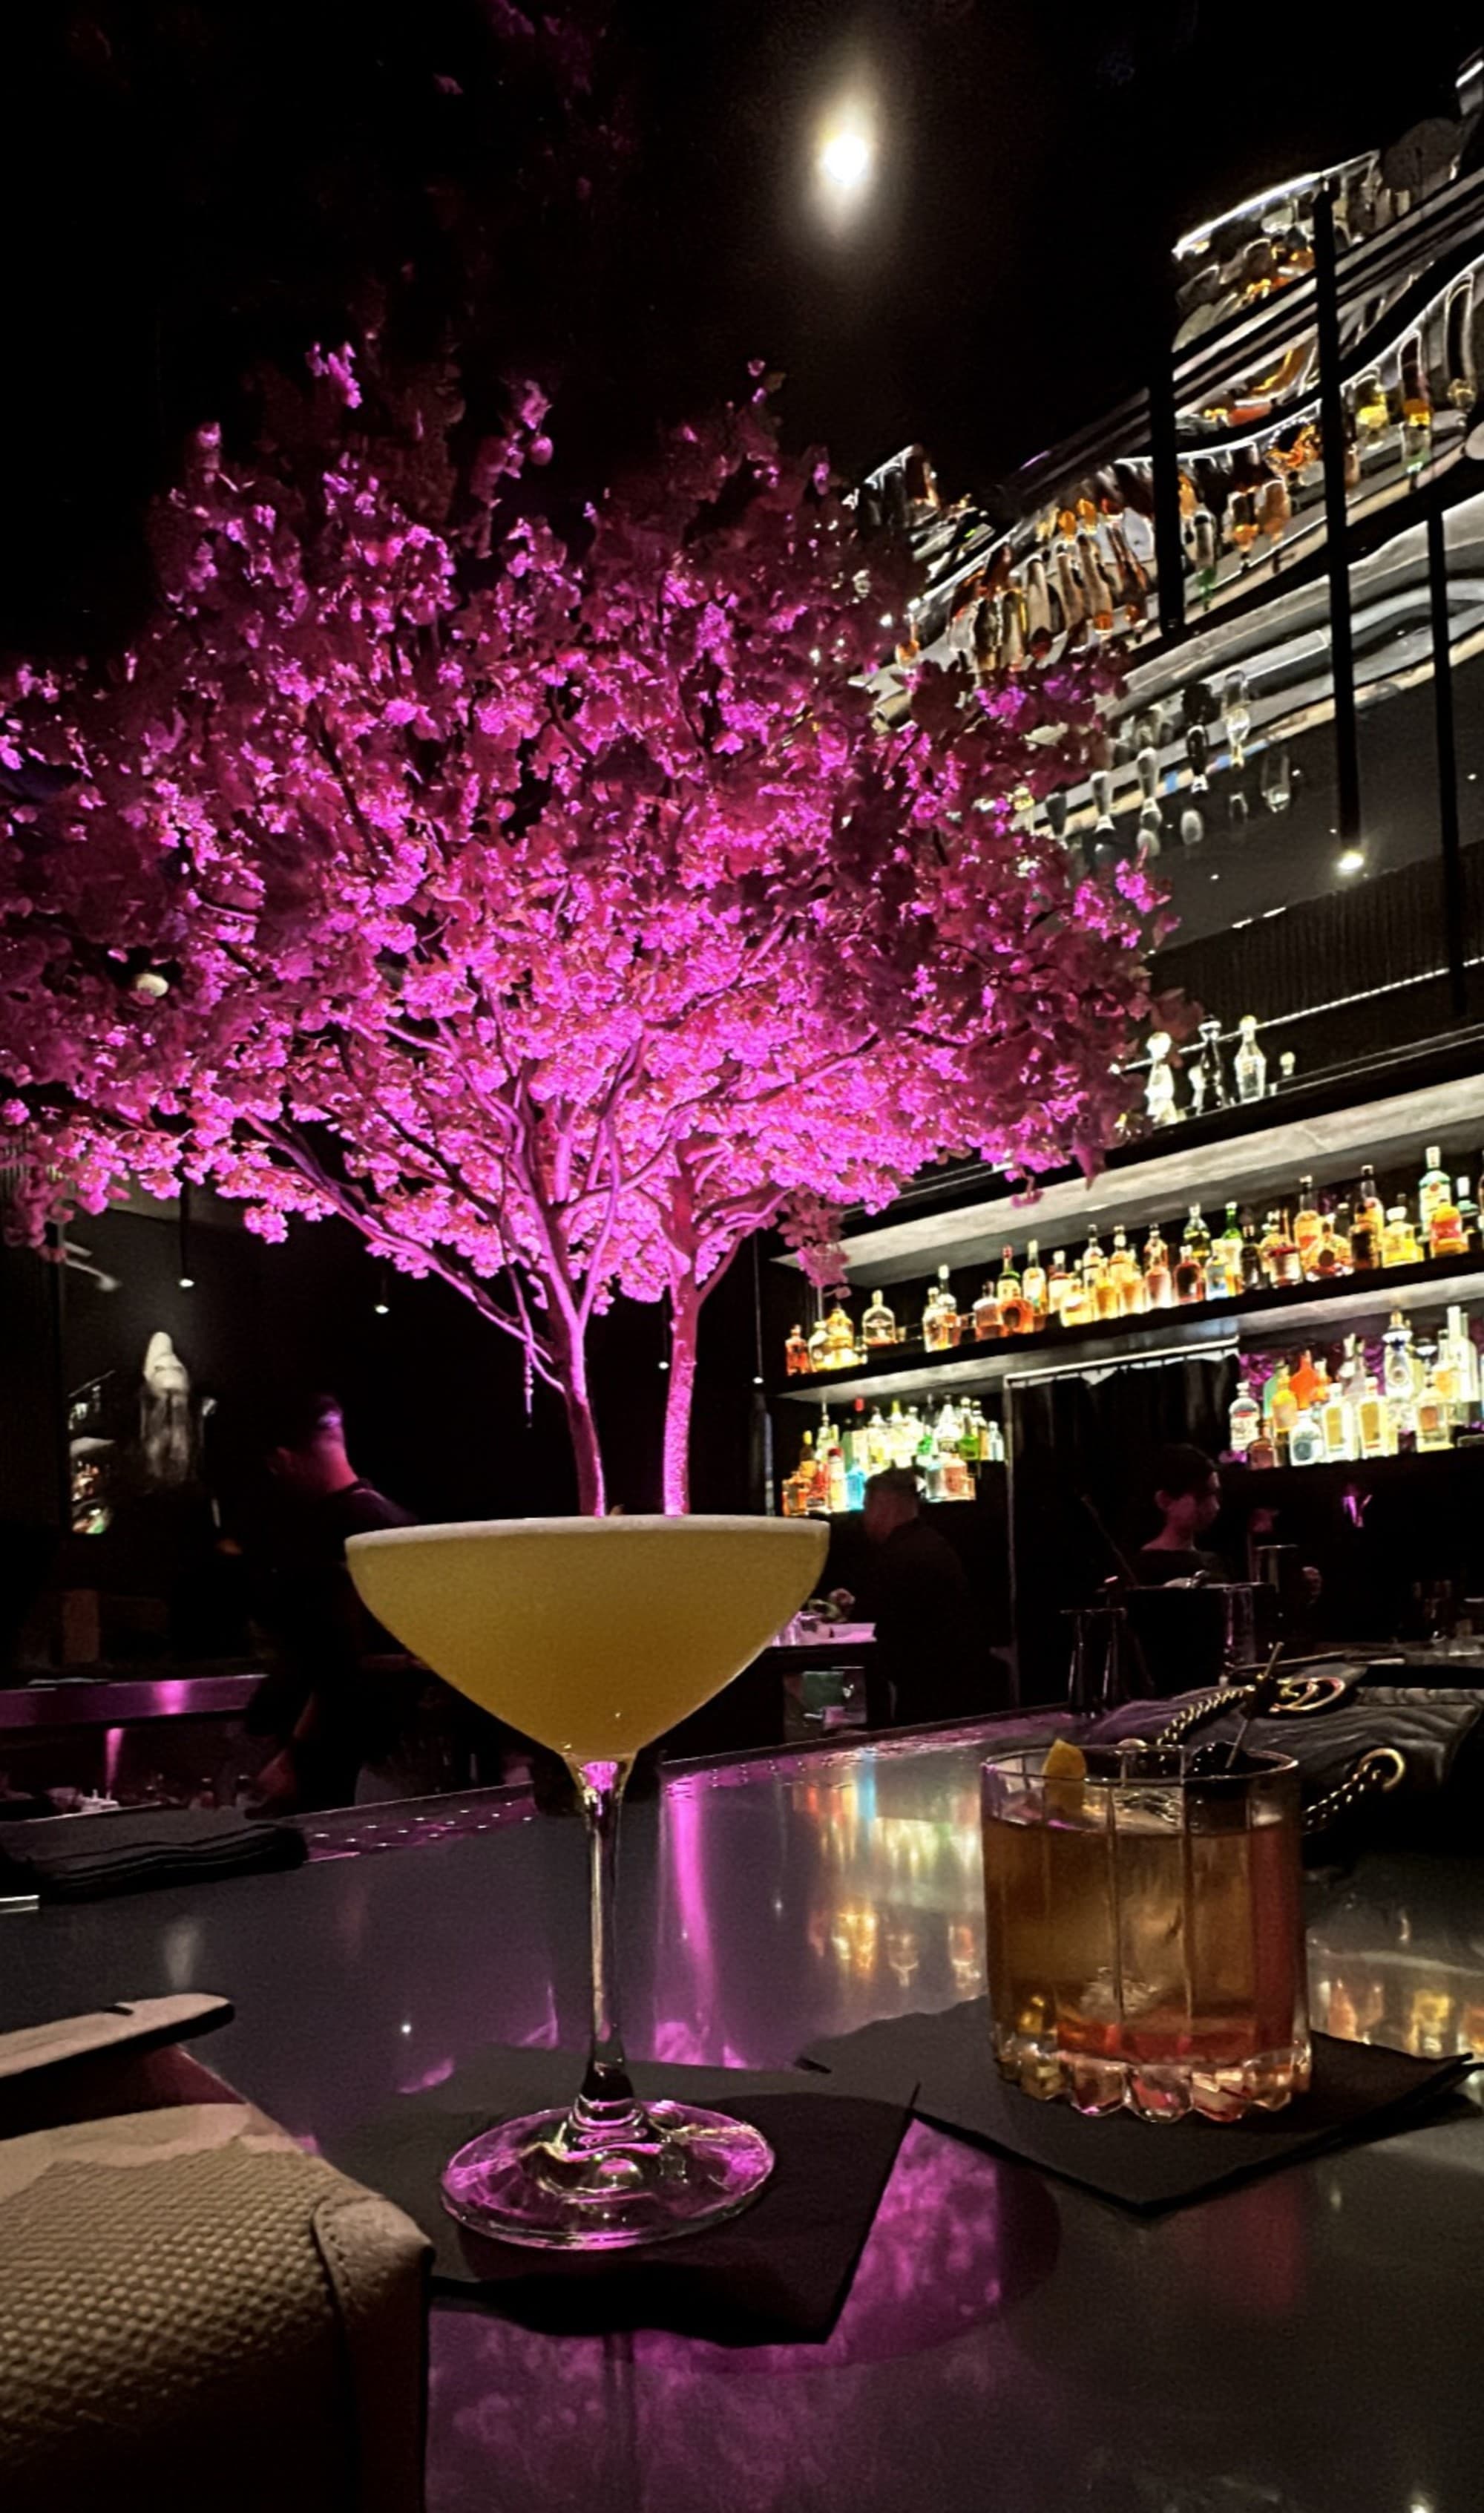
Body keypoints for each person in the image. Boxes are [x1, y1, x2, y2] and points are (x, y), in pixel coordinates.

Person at [247, 1392, 415, 1809]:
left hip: (335, 1759)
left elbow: (340, 1661)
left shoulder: (330, 1535)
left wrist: (296, 1757)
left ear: (282, 1460)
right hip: (388, 1755)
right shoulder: (396, 1527)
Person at [861, 1467, 1004, 1727]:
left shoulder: (898, 1556)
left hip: (929, 1700)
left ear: (883, 1506)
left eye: (867, 1507)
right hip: (960, 1691)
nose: (865, 1518)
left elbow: (885, 1637)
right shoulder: (931, 1544)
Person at [1136, 1445, 1229, 1585]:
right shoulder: (1143, 1568)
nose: (1215, 1506)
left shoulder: (1213, 1561)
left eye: (1215, 1495)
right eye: (1202, 1496)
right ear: (1165, 1501)